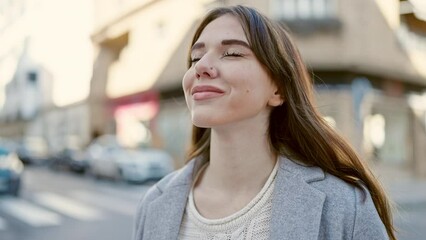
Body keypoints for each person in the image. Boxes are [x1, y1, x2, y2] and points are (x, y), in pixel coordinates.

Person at [133, 5, 396, 240]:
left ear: (278, 90)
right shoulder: (154, 203)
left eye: (232, 53)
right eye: (196, 57)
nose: (202, 67)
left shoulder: (344, 206)